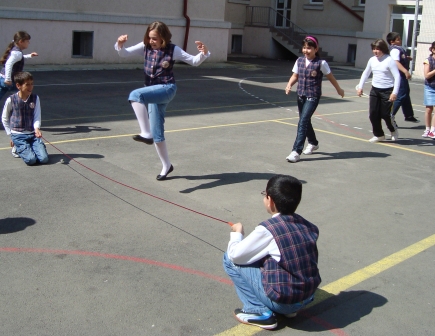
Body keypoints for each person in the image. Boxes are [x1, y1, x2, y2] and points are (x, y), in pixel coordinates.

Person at [223, 174, 320, 330]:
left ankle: (258, 310)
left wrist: (237, 233)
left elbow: (235, 255)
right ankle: (290, 309)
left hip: (284, 302)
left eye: (265, 195)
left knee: (228, 259)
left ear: (271, 201)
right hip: (307, 297)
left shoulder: (268, 229)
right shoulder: (309, 226)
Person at [115, 21, 210, 180]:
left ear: (163, 38)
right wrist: (120, 44)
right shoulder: (145, 46)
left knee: (135, 95)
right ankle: (167, 166)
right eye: (149, 37)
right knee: (157, 132)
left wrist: (204, 53)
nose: (151, 41)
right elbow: (124, 53)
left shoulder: (173, 50)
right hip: (154, 92)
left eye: (155, 38)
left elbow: (194, 61)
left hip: (167, 89)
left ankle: (146, 133)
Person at [284, 36, 345, 163]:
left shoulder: (321, 63)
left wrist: (339, 89)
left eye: (309, 48)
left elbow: (331, 77)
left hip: (313, 96)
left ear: (316, 49)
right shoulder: (299, 61)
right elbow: (295, 75)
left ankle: (296, 151)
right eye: (304, 48)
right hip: (301, 95)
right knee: (305, 120)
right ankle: (313, 143)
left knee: (303, 121)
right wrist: (289, 85)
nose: (306, 51)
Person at [356, 39, 401, 142]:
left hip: (387, 91)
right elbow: (366, 73)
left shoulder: (389, 60)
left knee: (385, 114)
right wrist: (360, 87)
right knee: (373, 114)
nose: (375, 51)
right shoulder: (372, 60)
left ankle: (393, 130)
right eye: (374, 49)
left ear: (383, 49)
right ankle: (379, 135)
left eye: (378, 49)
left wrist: (394, 92)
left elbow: (397, 77)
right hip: (375, 90)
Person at [1, 71, 49, 165]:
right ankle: (17, 148)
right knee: (31, 160)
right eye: (27, 84)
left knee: (44, 159)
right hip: (18, 135)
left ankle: (31, 147)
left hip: (32, 134)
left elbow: (37, 116)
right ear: (18, 86)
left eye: (32, 84)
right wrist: (10, 134)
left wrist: (36, 128)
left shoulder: (35, 98)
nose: (30, 87)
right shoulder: (11, 99)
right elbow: (4, 118)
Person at [387, 32, 419, 124]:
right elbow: (396, 62)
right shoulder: (395, 50)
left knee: (405, 94)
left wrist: (406, 58)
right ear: (392, 42)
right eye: (398, 39)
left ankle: (409, 115)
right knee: (401, 95)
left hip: (400, 75)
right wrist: (405, 71)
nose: (400, 41)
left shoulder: (397, 49)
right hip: (399, 75)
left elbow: (399, 58)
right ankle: (390, 115)